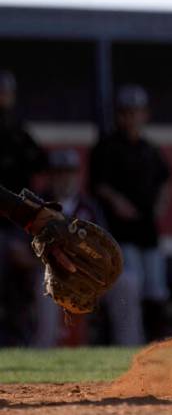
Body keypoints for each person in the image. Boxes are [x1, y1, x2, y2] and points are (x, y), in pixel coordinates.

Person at [90, 85, 172, 345]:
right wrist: (116, 201)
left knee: (156, 290)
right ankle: (133, 343)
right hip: (120, 232)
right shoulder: (108, 146)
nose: (132, 117)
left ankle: (159, 343)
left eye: (137, 112)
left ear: (144, 115)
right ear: (120, 115)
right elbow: (96, 184)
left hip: (148, 230)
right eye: (127, 112)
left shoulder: (149, 149)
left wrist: (160, 204)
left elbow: (167, 179)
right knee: (131, 286)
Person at [33, 149, 103, 347]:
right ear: (51, 176)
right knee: (43, 284)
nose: (64, 179)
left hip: (85, 274)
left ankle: (128, 349)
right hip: (48, 272)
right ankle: (43, 350)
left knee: (128, 282)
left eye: (69, 173)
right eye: (59, 173)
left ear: (77, 176)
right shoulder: (38, 207)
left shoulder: (89, 208)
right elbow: (20, 248)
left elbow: (105, 247)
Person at [0, 69, 47, 345]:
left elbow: (40, 164)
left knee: (21, 286)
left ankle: (20, 340)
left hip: (16, 225)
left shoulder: (18, 132)